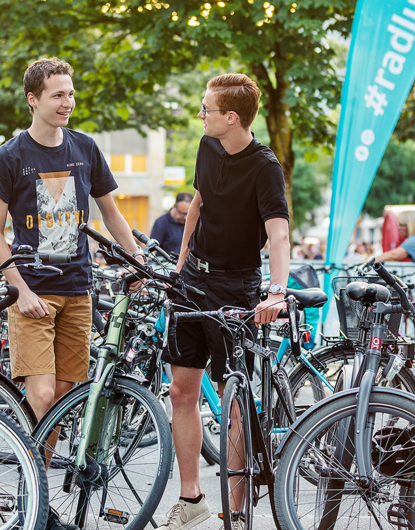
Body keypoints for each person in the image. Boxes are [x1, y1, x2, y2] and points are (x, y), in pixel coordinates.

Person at [0, 57, 144, 530]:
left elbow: (111, 214)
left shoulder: (85, 148)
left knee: (68, 396)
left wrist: (136, 261)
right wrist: (20, 289)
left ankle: (37, 496)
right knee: (44, 394)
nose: (67, 103)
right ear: (33, 99)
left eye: (71, 94)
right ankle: (33, 496)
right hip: (33, 293)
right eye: (57, 95)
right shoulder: (9, 156)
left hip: (78, 289)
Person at [158, 73, 290, 530]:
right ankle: (191, 499)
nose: (201, 116)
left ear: (231, 117)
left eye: (206, 109)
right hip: (193, 278)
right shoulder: (207, 146)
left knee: (235, 400)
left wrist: (277, 290)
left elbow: (278, 232)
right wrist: (179, 264)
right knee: (181, 391)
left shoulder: (265, 167)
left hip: (236, 285)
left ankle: (236, 510)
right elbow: (198, 201)